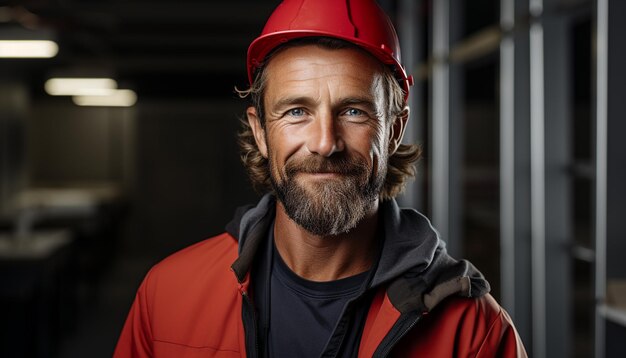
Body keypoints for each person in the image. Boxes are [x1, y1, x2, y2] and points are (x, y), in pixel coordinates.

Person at [114, 0, 527, 357]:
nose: (325, 142)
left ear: (394, 130)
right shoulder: (168, 296)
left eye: (353, 111)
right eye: (296, 111)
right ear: (260, 131)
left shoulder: (473, 332)